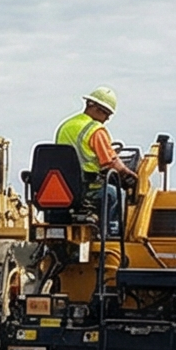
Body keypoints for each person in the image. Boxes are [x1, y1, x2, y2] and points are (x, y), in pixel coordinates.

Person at [54, 86, 126, 237]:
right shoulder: (95, 130)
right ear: (96, 109)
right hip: (88, 188)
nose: (107, 119)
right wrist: (129, 173)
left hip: (63, 187)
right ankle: (108, 236)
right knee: (117, 194)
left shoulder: (65, 125)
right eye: (107, 114)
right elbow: (110, 163)